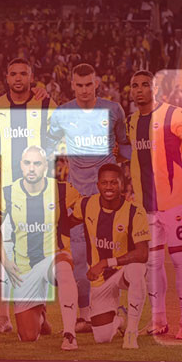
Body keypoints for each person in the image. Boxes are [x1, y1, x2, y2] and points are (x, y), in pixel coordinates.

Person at [46, 63, 130, 333]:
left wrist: (116, 166)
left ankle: (113, 310)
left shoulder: (113, 110)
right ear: (72, 85)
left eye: (88, 84)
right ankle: (84, 316)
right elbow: (48, 146)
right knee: (79, 259)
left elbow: (125, 147)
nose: (84, 90)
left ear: (97, 84)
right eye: (79, 85)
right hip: (76, 199)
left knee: (108, 255)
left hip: (106, 200)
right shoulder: (62, 113)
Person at [127, 70, 182, 340]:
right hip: (146, 207)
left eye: (145, 85)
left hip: (174, 204)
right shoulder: (132, 122)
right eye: (135, 86)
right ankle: (158, 319)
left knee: (179, 259)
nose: (139, 90)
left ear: (155, 89)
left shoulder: (174, 115)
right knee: (153, 264)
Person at [0, 57, 58, 334]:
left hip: (37, 190)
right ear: (6, 77)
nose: (18, 78)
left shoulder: (45, 105)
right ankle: (3, 316)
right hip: (5, 188)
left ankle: (40, 312)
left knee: (38, 251)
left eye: (23, 74)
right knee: (4, 249)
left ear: (31, 77)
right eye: (13, 73)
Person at [0, 146, 80, 350]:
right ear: (21, 166)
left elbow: (87, 210)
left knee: (64, 268)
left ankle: (69, 334)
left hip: (53, 258)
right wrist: (5, 261)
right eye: (28, 163)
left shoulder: (63, 189)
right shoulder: (9, 193)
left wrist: (65, 227)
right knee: (28, 336)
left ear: (45, 166)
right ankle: (40, 315)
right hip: (26, 267)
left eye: (37, 163)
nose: (32, 168)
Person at [72, 164, 149, 349]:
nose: (109, 187)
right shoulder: (85, 205)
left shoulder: (135, 211)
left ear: (122, 184)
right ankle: (120, 319)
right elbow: (67, 225)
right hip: (100, 279)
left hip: (122, 271)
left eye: (114, 183)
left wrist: (106, 262)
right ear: (98, 185)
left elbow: (142, 253)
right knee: (102, 337)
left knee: (137, 269)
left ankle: (131, 331)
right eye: (104, 183)